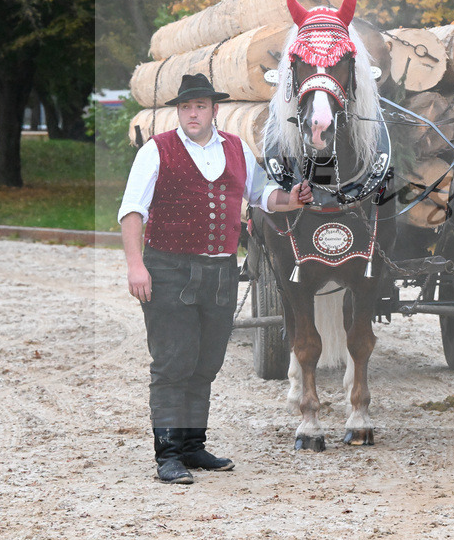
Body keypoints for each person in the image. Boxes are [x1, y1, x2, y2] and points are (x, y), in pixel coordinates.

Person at [119, 73, 312, 484]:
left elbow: (263, 196)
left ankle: (192, 447)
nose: (193, 113)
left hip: (221, 271)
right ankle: (168, 454)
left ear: (214, 110)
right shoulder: (157, 150)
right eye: (186, 107)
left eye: (200, 106)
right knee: (173, 362)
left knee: (206, 363)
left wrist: (291, 199)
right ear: (178, 111)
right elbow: (132, 210)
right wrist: (136, 266)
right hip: (168, 269)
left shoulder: (238, 148)